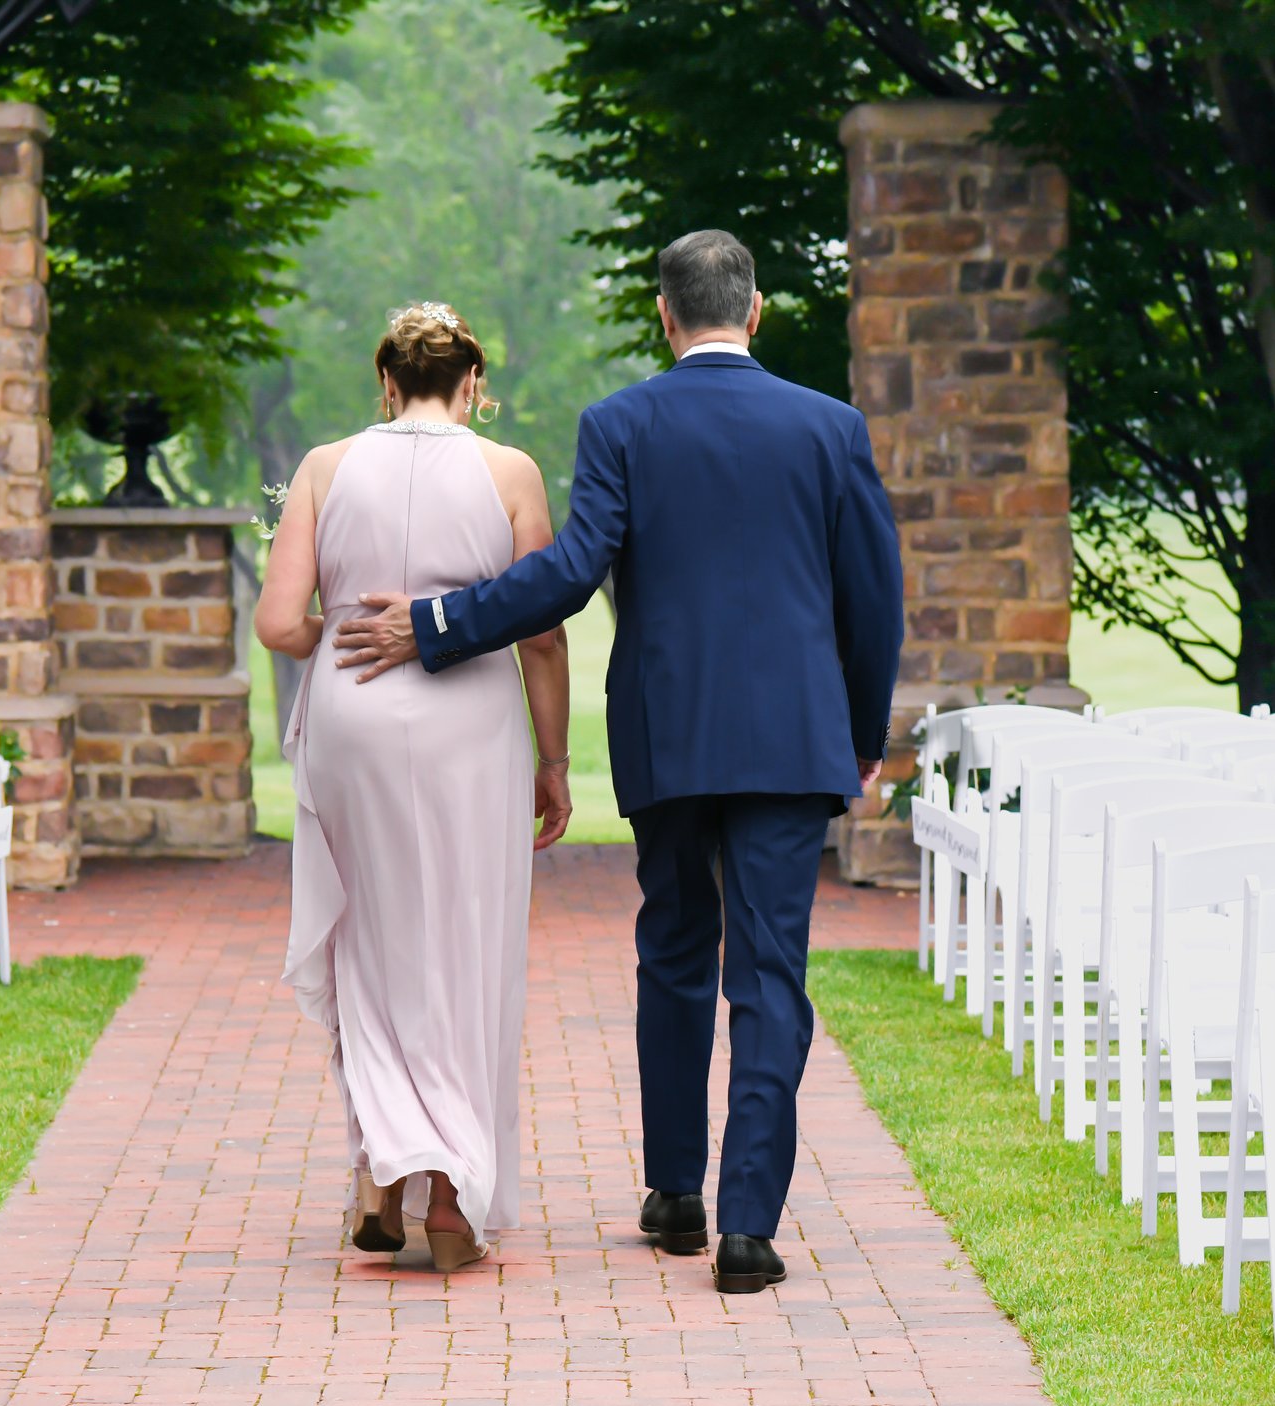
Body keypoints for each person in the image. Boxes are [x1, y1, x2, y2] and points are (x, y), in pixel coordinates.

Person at [333, 231, 903, 1294]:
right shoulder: (831, 428)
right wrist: (861, 733)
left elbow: (563, 575)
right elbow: (874, 597)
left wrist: (440, 621)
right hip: (790, 741)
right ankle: (747, 1226)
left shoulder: (624, 422)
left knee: (676, 952)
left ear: (664, 314)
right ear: (757, 310)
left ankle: (675, 1189)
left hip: (669, 732)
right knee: (772, 972)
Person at [257, 301, 573, 1274]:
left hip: (352, 712)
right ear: (470, 384)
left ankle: (381, 1174)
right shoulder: (508, 470)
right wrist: (552, 760)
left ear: (385, 384)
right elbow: (543, 627)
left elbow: (277, 620)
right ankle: (448, 1204)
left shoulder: (322, 465)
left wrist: (331, 638)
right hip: (466, 721)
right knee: (466, 939)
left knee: (372, 938)